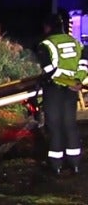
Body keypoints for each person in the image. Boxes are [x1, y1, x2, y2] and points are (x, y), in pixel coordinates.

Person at [36, 13, 88, 175]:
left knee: (55, 126)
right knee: (70, 125)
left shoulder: (45, 44)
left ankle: (56, 164)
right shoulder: (76, 43)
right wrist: (77, 82)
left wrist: (67, 82)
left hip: (54, 90)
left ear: (48, 27)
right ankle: (75, 163)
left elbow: (49, 71)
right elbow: (84, 65)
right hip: (72, 90)